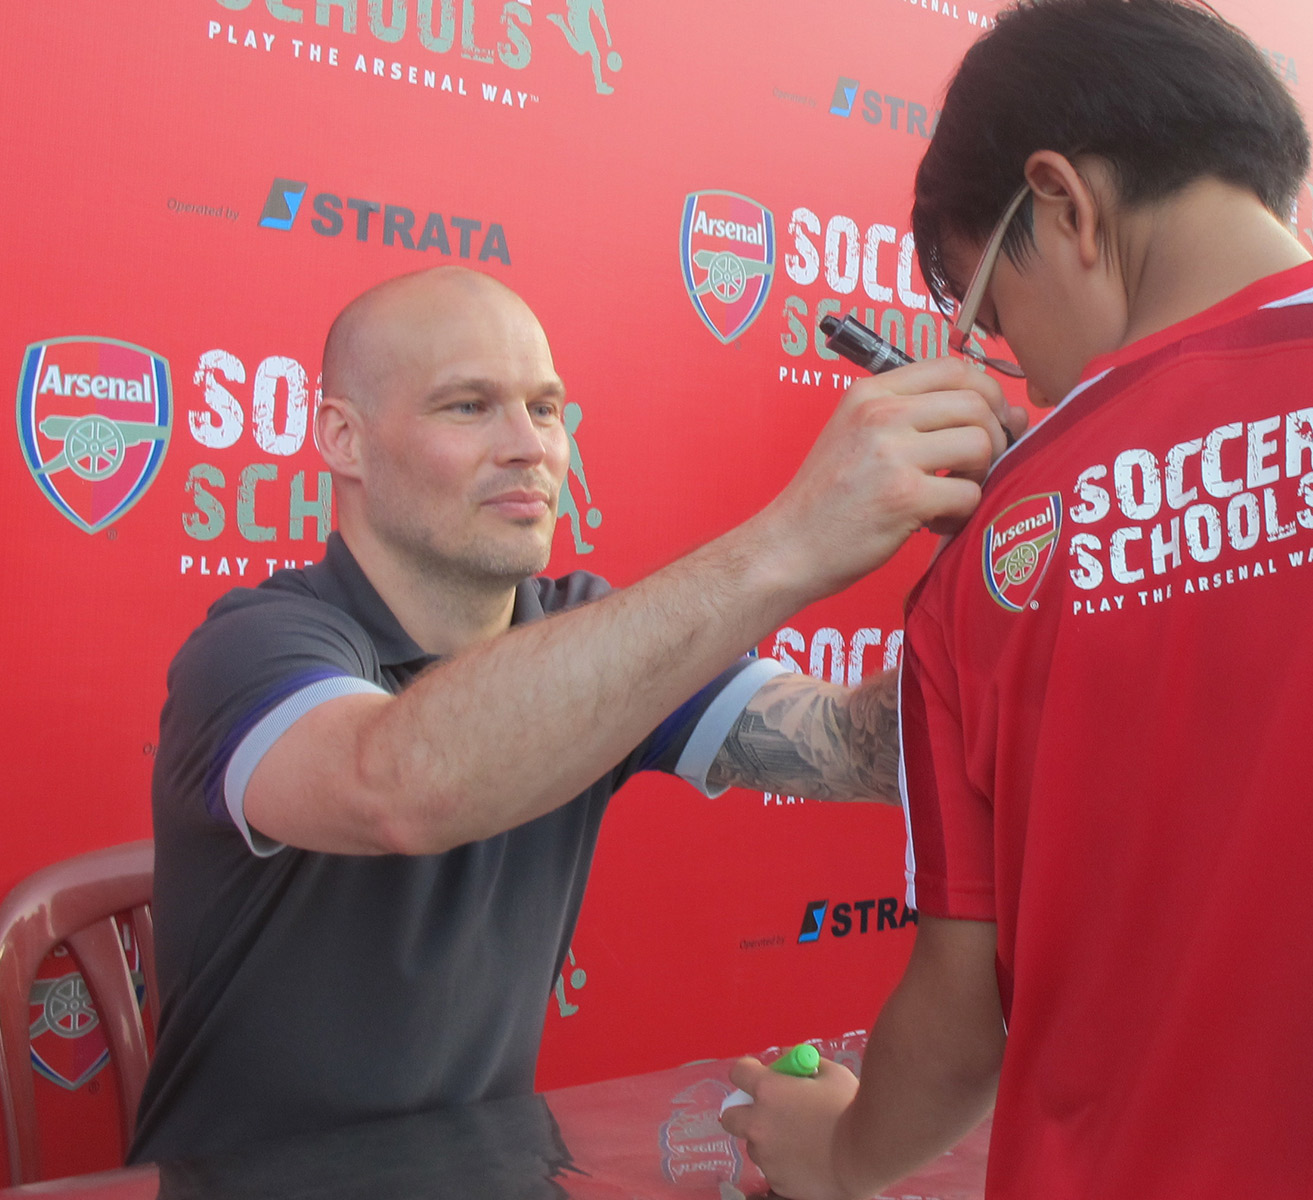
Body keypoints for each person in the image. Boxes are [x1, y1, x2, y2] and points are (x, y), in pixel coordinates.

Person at [722, 3, 1313, 1198]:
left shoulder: (989, 557)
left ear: (1062, 202)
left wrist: (833, 1151)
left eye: (991, 318)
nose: (1017, 372)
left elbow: (959, 1009)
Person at [128, 265, 1024, 1162]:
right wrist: (791, 539)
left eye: (547, 408)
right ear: (343, 438)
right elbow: (399, 784)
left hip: (486, 1179)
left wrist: (1031, 568)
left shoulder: (585, 632)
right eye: (468, 407)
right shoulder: (252, 648)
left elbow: (855, 749)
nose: (531, 446)